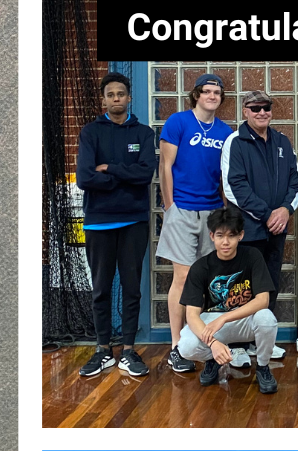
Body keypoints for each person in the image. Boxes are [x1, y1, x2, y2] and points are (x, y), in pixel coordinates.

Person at [74, 72, 158, 379]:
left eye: (121, 94)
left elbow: (145, 175)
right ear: (104, 99)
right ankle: (102, 350)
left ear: (129, 97)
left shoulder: (144, 133)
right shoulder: (91, 132)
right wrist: (125, 175)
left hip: (134, 220)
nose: (116, 99)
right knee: (100, 289)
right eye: (111, 95)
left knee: (131, 288)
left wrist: (109, 169)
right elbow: (85, 178)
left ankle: (128, 350)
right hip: (99, 222)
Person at [158, 74, 235, 376]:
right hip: (182, 209)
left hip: (212, 211)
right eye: (207, 91)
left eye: (217, 92)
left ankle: (200, 342)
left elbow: (224, 176)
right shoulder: (178, 122)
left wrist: (226, 213)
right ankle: (176, 346)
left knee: (206, 279)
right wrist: (170, 207)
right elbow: (165, 166)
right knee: (183, 277)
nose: (212, 96)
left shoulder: (225, 131)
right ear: (196, 95)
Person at [221, 88, 298, 361]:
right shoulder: (235, 142)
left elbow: (295, 181)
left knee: (269, 284)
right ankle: (239, 344)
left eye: (266, 107)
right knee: (242, 287)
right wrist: (267, 215)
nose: (262, 112)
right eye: (255, 108)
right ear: (245, 112)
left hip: (276, 230)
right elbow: (234, 188)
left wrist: (286, 211)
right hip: (248, 230)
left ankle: (261, 342)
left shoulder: (282, 141)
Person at [176, 206, 279, 395]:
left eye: (231, 236)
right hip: (213, 322)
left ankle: (263, 367)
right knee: (186, 347)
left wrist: (224, 318)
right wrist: (213, 343)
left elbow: (263, 300)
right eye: (220, 235)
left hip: (241, 320)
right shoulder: (200, 267)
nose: (225, 242)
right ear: (211, 236)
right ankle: (213, 359)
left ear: (241, 236)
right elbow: (191, 315)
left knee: (267, 319)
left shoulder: (252, 256)